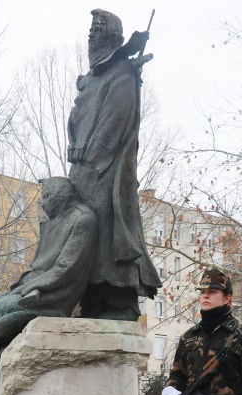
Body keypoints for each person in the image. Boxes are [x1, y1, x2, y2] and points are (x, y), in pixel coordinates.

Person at [0, 177, 96, 395]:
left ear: (58, 195)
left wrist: (33, 287)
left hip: (51, 296)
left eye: (45, 197)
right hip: (29, 288)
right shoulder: (57, 220)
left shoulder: (83, 219)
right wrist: (22, 285)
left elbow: (65, 268)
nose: (42, 203)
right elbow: (37, 265)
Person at [67, 9, 162, 320]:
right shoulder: (93, 79)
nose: (92, 35)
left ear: (113, 36)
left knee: (109, 231)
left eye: (99, 29)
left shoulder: (122, 73)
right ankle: (93, 295)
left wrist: (93, 159)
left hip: (105, 170)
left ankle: (117, 298)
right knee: (85, 233)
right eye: (90, 29)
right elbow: (78, 119)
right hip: (81, 168)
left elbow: (113, 124)